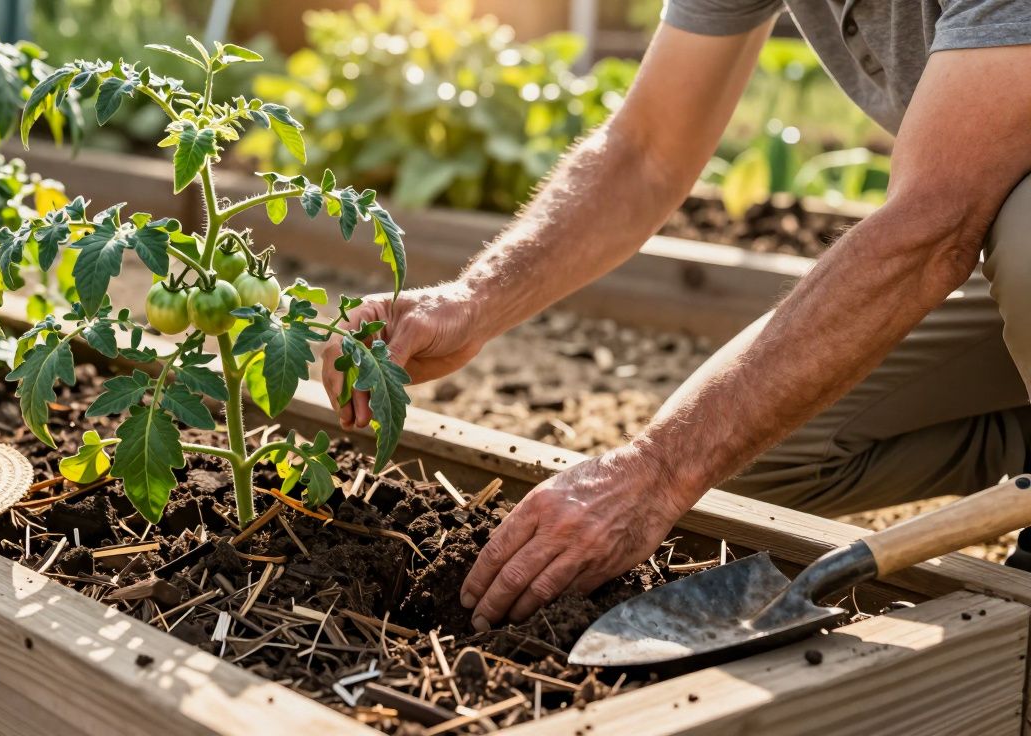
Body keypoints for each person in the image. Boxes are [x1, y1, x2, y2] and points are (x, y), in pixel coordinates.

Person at [320, 0, 1031, 633]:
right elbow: (647, 149)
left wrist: (656, 471)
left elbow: (934, 223)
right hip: (974, 229)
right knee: (752, 456)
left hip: (984, 225)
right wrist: (473, 301)